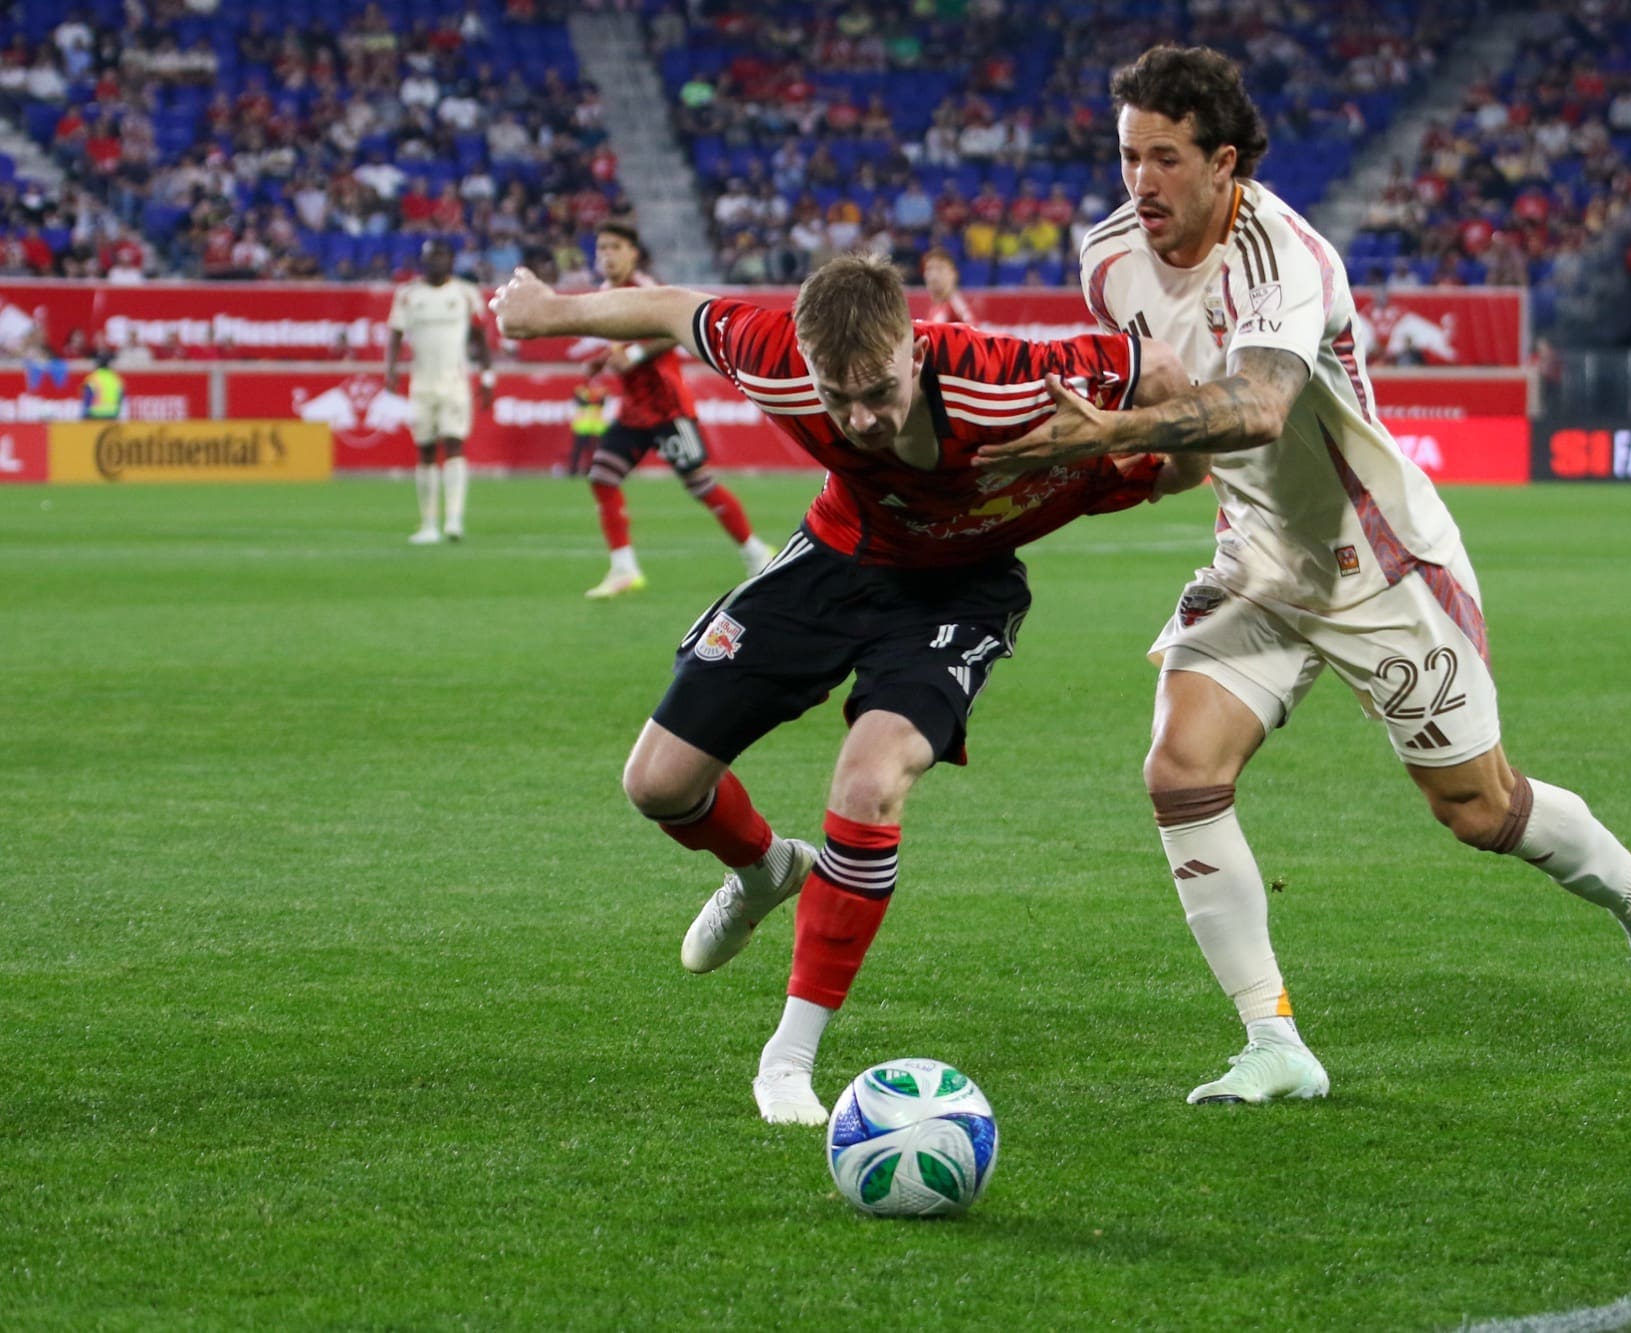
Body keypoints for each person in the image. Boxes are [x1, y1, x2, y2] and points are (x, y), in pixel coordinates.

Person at [977, 45, 1631, 1106]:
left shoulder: (1287, 258)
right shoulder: (1108, 259)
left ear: (1223, 162)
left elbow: (1258, 406)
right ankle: (1272, 1040)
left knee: (1477, 809)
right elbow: (1189, 432)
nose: (1140, 182)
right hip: (1256, 556)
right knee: (1179, 770)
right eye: (1128, 156)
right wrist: (1103, 472)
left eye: (1166, 158)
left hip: (1376, 562)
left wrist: (1109, 435)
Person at [490, 252, 1205, 1125]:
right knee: (657, 784)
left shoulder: (1006, 381)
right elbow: (675, 308)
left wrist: (1155, 451)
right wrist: (547, 311)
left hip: (958, 592)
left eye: (878, 391)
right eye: (839, 398)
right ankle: (764, 869)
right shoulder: (778, 360)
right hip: (835, 558)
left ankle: (788, 1060)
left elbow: (1158, 367)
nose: (861, 418)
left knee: (868, 785)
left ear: (916, 349)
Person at [580, 222, 772, 599]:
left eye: (615, 247)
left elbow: (672, 330)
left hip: (667, 408)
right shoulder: (606, 294)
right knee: (602, 477)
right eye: (601, 248)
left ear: (633, 253)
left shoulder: (646, 289)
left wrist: (634, 354)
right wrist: (604, 359)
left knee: (700, 484)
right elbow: (625, 344)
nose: (607, 255)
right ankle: (623, 569)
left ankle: (757, 554)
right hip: (634, 411)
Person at [385, 238, 492, 544]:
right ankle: (429, 524)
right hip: (421, 384)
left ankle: (454, 521)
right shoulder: (408, 295)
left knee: (454, 443)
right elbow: (395, 334)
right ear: (422, 259)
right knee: (426, 449)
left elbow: (480, 338)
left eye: (442, 256)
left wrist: (487, 377)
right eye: (431, 256)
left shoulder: (466, 293)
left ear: (452, 260)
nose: (436, 261)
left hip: (455, 383)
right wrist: (390, 370)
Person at [569, 373, 609, 476]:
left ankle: (591, 469)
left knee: (596, 450)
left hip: (597, 425)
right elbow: (580, 402)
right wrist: (592, 398)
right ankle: (573, 469)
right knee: (579, 448)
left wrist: (593, 398)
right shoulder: (581, 391)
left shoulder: (602, 391)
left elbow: (602, 403)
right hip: (583, 425)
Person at [921, 248, 975, 323]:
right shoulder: (936, 307)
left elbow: (972, 327)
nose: (933, 275)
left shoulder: (956, 305)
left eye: (940, 269)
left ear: (953, 274)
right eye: (929, 269)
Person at [80, 349, 124, 420]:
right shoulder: (115, 378)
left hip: (95, 414)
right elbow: (121, 396)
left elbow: (87, 396)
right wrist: (117, 411)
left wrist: (84, 414)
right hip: (112, 414)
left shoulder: (93, 377)